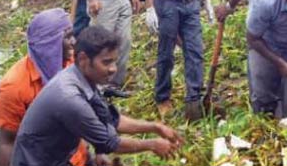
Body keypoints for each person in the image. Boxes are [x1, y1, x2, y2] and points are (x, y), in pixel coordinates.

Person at [10, 26, 182, 166]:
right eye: (106, 62)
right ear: (84, 59)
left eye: (114, 61)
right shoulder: (69, 98)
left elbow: (112, 120)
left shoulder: (84, 79)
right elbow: (110, 143)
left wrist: (155, 127)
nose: (113, 68)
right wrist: (151, 144)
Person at [0, 9, 87, 166]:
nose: (74, 42)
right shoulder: (14, 86)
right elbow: (7, 141)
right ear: (49, 44)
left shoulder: (74, 67)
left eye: (73, 35)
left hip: (77, 158)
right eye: (67, 37)